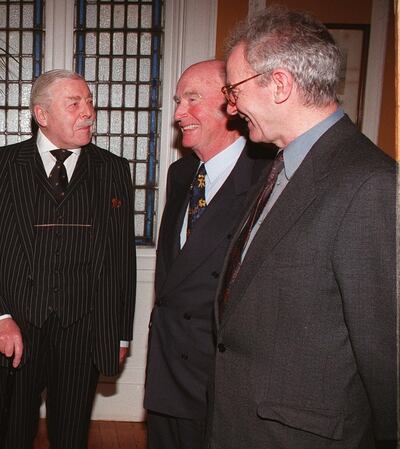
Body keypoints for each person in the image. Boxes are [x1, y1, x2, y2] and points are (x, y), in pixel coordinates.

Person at [209, 7, 397, 449]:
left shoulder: (371, 185)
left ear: (279, 85)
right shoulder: (279, 167)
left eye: (234, 90)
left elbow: (387, 356)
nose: (231, 106)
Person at [0, 69, 137, 449]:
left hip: (84, 332)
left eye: (89, 102)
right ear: (42, 114)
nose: (88, 112)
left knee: (71, 438)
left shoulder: (113, 170)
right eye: (75, 103)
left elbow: (121, 259)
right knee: (14, 437)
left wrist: (120, 332)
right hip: (15, 332)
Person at [143, 60, 272, 449]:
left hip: (218, 375)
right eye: (178, 101)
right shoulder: (181, 174)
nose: (178, 114)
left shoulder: (268, 177)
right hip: (167, 366)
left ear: (231, 103)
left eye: (192, 99)